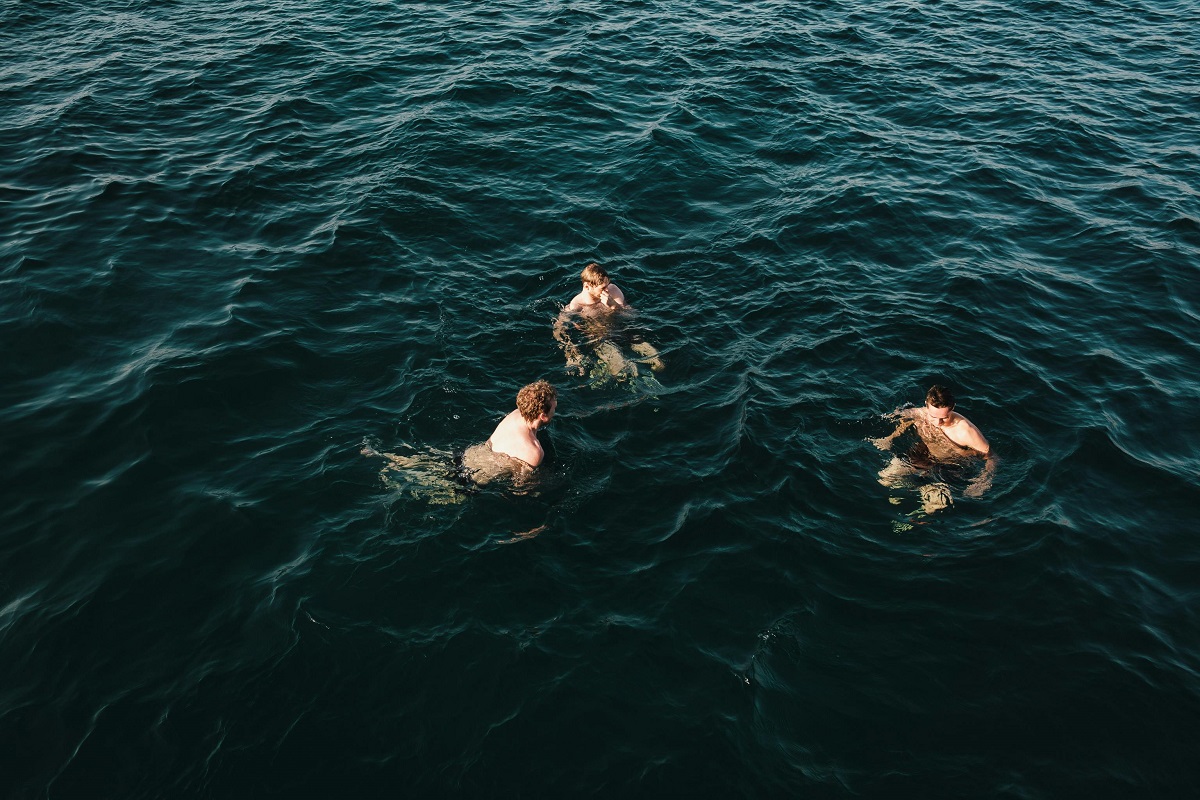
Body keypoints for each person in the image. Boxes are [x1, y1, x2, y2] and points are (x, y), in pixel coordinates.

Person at [872, 384, 996, 507]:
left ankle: (916, 519)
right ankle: (894, 502)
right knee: (886, 478)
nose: (938, 423)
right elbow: (899, 418)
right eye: (933, 417)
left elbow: (991, 457)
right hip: (923, 454)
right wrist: (888, 438)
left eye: (944, 418)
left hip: (948, 466)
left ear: (953, 407)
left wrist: (983, 480)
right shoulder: (919, 414)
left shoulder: (966, 431)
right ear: (926, 404)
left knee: (934, 504)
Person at [553, 262, 664, 377]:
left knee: (657, 360)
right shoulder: (577, 305)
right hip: (600, 339)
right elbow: (559, 329)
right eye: (603, 288)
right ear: (587, 286)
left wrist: (614, 306)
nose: (607, 290)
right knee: (623, 370)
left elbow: (633, 315)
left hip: (623, 331)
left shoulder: (614, 290)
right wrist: (571, 354)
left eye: (607, 285)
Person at [460, 379, 557, 478]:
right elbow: (520, 487)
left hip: (466, 457)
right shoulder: (534, 451)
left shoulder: (516, 413)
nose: (554, 411)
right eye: (554, 408)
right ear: (543, 416)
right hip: (475, 479)